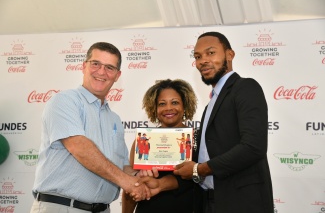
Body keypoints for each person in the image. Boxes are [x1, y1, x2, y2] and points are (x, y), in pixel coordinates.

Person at [137, 32, 274, 213]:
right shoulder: (212, 103)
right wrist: (161, 181)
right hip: (209, 201)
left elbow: (253, 147)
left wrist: (199, 170)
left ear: (230, 55)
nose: (203, 61)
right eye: (198, 56)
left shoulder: (245, 87)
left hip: (240, 202)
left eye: (211, 53)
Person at [30, 42, 149, 213]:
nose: (101, 72)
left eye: (109, 67)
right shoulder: (65, 101)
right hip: (62, 207)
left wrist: (140, 177)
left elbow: (123, 166)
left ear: (117, 75)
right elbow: (79, 147)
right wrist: (126, 182)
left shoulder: (114, 119)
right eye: (96, 64)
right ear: (84, 66)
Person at [122, 79, 198, 213]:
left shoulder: (197, 139)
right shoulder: (143, 140)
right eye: (162, 104)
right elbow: (132, 186)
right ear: (155, 108)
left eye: (175, 102)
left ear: (185, 105)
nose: (168, 108)